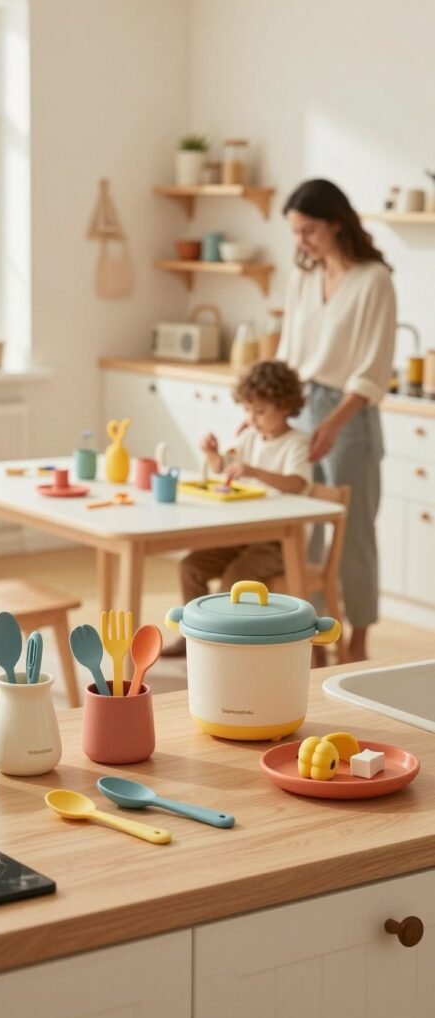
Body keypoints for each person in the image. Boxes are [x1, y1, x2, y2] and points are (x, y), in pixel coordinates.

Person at [277, 178, 396, 663]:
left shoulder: (373, 280)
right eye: (296, 232)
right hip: (301, 403)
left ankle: (359, 638)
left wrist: (333, 422)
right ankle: (318, 633)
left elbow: (374, 368)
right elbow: (288, 351)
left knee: (353, 536)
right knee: (304, 530)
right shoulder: (303, 278)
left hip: (351, 415)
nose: (301, 241)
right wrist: (266, 409)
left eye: (308, 230)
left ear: (336, 223)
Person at [163, 360, 312, 657]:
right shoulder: (249, 437)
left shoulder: (296, 443)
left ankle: (227, 647)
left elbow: (297, 483)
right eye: (247, 410)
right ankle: (193, 636)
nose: (252, 418)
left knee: (236, 579)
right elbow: (227, 468)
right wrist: (213, 456)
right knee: (190, 566)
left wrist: (254, 471)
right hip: (242, 536)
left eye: (260, 411)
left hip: (277, 543)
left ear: (285, 406)